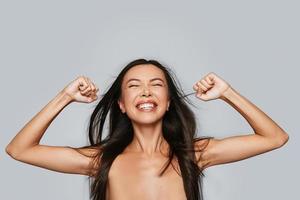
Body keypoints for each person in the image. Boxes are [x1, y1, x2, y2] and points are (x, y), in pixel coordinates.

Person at [5, 58, 289, 200]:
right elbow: (19, 149)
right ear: (122, 105)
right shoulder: (102, 160)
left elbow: (275, 138)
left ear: (167, 103)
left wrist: (227, 93)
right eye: (133, 86)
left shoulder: (193, 154)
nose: (145, 92)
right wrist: (65, 96)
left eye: (156, 84)